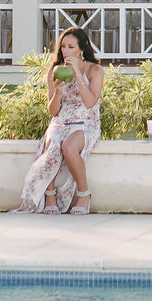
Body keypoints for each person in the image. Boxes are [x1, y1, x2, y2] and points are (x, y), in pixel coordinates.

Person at [14, 24, 102, 215]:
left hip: (86, 123)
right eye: (63, 46)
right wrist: (59, 91)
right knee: (52, 145)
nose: (66, 51)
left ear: (82, 48)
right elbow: (53, 111)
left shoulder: (94, 71)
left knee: (69, 147)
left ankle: (84, 195)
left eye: (71, 47)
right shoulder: (55, 71)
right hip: (61, 121)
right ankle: (50, 196)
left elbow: (90, 102)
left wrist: (78, 74)